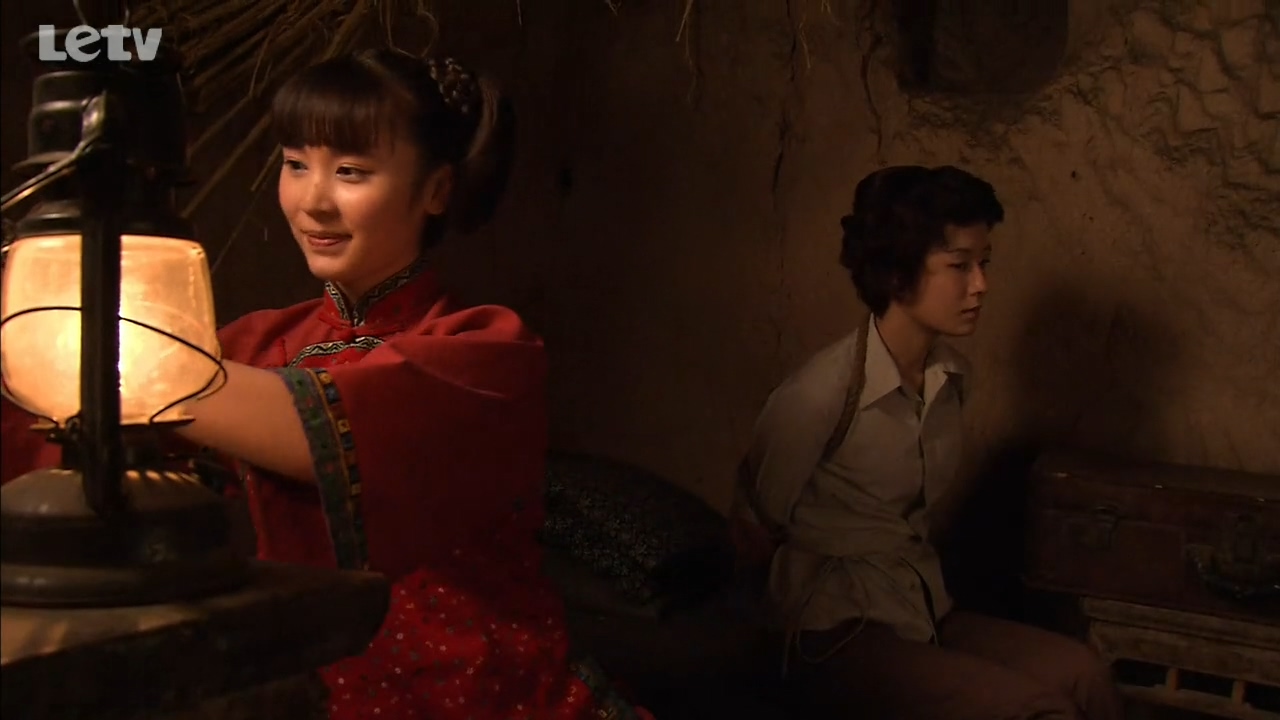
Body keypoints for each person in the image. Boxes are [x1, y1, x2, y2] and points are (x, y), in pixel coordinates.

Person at [1, 49, 650, 720]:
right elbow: (78, 437)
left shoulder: (485, 352)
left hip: (473, 689)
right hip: (298, 677)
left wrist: (101, 354)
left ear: (436, 189)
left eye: (350, 172)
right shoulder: (255, 344)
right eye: (295, 164)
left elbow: (310, 429)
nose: (313, 201)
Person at [732, 166, 1124, 719]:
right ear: (897, 273)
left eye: (984, 263)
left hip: (921, 609)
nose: (980, 285)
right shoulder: (817, 396)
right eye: (959, 266)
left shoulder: (951, 381)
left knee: (1084, 673)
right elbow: (752, 529)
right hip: (833, 630)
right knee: (1033, 710)